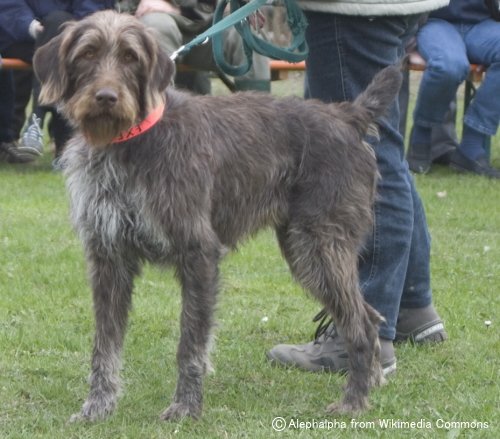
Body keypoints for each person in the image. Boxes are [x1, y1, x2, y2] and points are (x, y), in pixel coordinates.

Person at [267, 0, 449, 375]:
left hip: (353, 8)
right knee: (382, 144)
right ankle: (411, 306)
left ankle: (360, 336)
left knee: (357, 153)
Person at [0, 1, 115, 163]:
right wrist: (30, 26)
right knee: (59, 41)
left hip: (72, 37)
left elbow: (91, 7)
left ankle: (36, 119)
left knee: (59, 25)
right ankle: (61, 149)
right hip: (21, 36)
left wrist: (76, 32)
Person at [407, 0, 500, 178]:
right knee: (449, 66)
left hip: (483, 23)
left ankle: (471, 146)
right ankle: (421, 137)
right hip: (436, 23)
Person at [118, 0, 270, 94]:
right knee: (157, 26)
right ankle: (158, 119)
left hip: (207, 32)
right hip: (156, 26)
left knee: (246, 33)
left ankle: (261, 122)